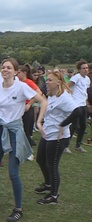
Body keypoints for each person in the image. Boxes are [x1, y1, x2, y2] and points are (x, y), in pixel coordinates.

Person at [0, 58, 46, 222]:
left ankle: (18, 209)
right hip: (1, 128)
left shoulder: (22, 87)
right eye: (3, 67)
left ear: (16, 71)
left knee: (13, 173)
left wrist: (38, 121)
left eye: (8, 67)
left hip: (15, 131)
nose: (5, 70)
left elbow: (43, 100)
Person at [35, 71, 80, 204]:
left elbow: (78, 111)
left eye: (49, 80)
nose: (46, 82)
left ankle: (53, 196)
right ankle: (48, 184)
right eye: (47, 80)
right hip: (48, 133)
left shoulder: (64, 97)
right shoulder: (53, 95)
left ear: (58, 82)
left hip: (58, 137)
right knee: (40, 160)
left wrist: (63, 124)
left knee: (52, 165)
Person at [64, 60, 90, 153]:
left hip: (83, 105)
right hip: (75, 105)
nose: (86, 70)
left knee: (83, 126)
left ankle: (78, 145)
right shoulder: (76, 78)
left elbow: (84, 91)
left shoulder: (87, 79)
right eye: (84, 68)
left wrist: (87, 103)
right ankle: (66, 145)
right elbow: (67, 86)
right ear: (79, 70)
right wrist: (69, 95)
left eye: (87, 68)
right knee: (74, 125)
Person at [17, 63, 43, 150]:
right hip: (19, 108)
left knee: (26, 131)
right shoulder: (18, 82)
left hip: (27, 109)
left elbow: (39, 93)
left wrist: (29, 103)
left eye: (19, 72)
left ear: (24, 73)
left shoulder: (29, 82)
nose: (17, 73)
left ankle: (29, 150)